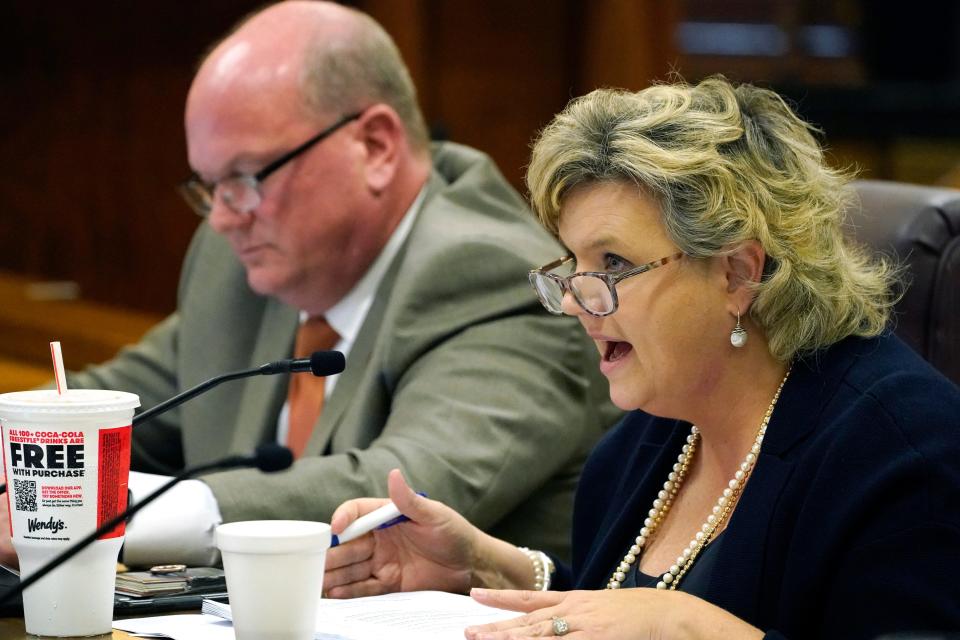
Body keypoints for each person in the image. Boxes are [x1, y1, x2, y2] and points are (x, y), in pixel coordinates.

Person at [322, 77, 960, 639]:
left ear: (737, 272)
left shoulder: (908, 454)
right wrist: (485, 567)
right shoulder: (642, 442)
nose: (575, 303)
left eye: (615, 265)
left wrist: (684, 624)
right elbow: (616, 611)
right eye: (572, 266)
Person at [0, 1, 617, 568]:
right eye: (209, 186)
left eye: (247, 176)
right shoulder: (242, 264)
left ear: (374, 146)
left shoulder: (492, 277)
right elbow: (114, 406)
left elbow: (398, 492)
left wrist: (95, 513)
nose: (221, 216)